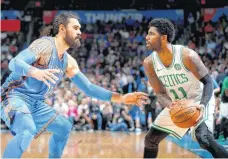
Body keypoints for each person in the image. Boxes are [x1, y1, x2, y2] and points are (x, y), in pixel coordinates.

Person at [0, 12, 148, 158]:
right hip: (12, 96)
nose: (80, 32)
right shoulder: (45, 45)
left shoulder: (68, 61)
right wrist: (34, 71)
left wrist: (121, 98)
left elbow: (89, 89)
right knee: (27, 131)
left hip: (35, 104)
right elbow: (14, 63)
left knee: (63, 127)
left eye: (80, 28)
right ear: (62, 29)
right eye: (76, 28)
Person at [142, 18, 228, 158]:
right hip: (177, 104)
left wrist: (202, 105)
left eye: (151, 34)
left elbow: (208, 82)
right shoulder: (149, 63)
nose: (147, 37)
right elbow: (160, 93)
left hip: (199, 99)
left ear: (163, 38)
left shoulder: (187, 55)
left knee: (204, 139)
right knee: (150, 140)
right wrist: (171, 106)